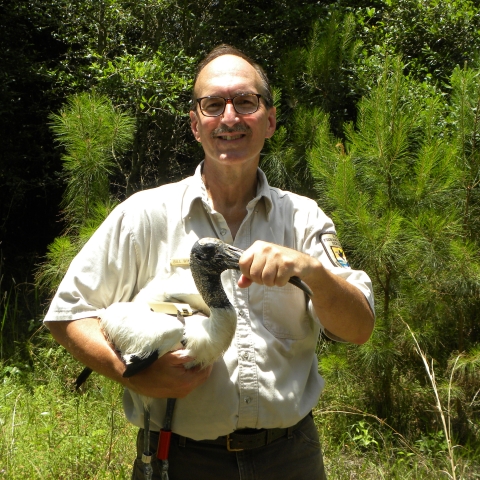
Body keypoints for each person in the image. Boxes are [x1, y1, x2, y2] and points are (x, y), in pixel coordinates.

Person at [45, 44, 375, 480]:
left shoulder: (305, 218)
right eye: (213, 105)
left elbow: (359, 329)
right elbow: (68, 314)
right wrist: (132, 375)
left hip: (290, 457)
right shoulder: (144, 214)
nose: (230, 118)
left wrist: (311, 271)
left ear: (270, 120)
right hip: (179, 459)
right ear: (195, 124)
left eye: (246, 102)